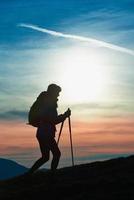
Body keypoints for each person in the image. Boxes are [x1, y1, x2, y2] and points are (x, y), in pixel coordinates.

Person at [28, 83, 71, 174]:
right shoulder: (49, 103)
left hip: (41, 132)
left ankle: (29, 173)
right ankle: (52, 175)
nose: (58, 94)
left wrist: (64, 116)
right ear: (53, 92)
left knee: (45, 157)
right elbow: (53, 120)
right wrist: (65, 116)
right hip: (46, 132)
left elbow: (51, 119)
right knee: (56, 154)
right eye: (57, 92)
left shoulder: (44, 101)